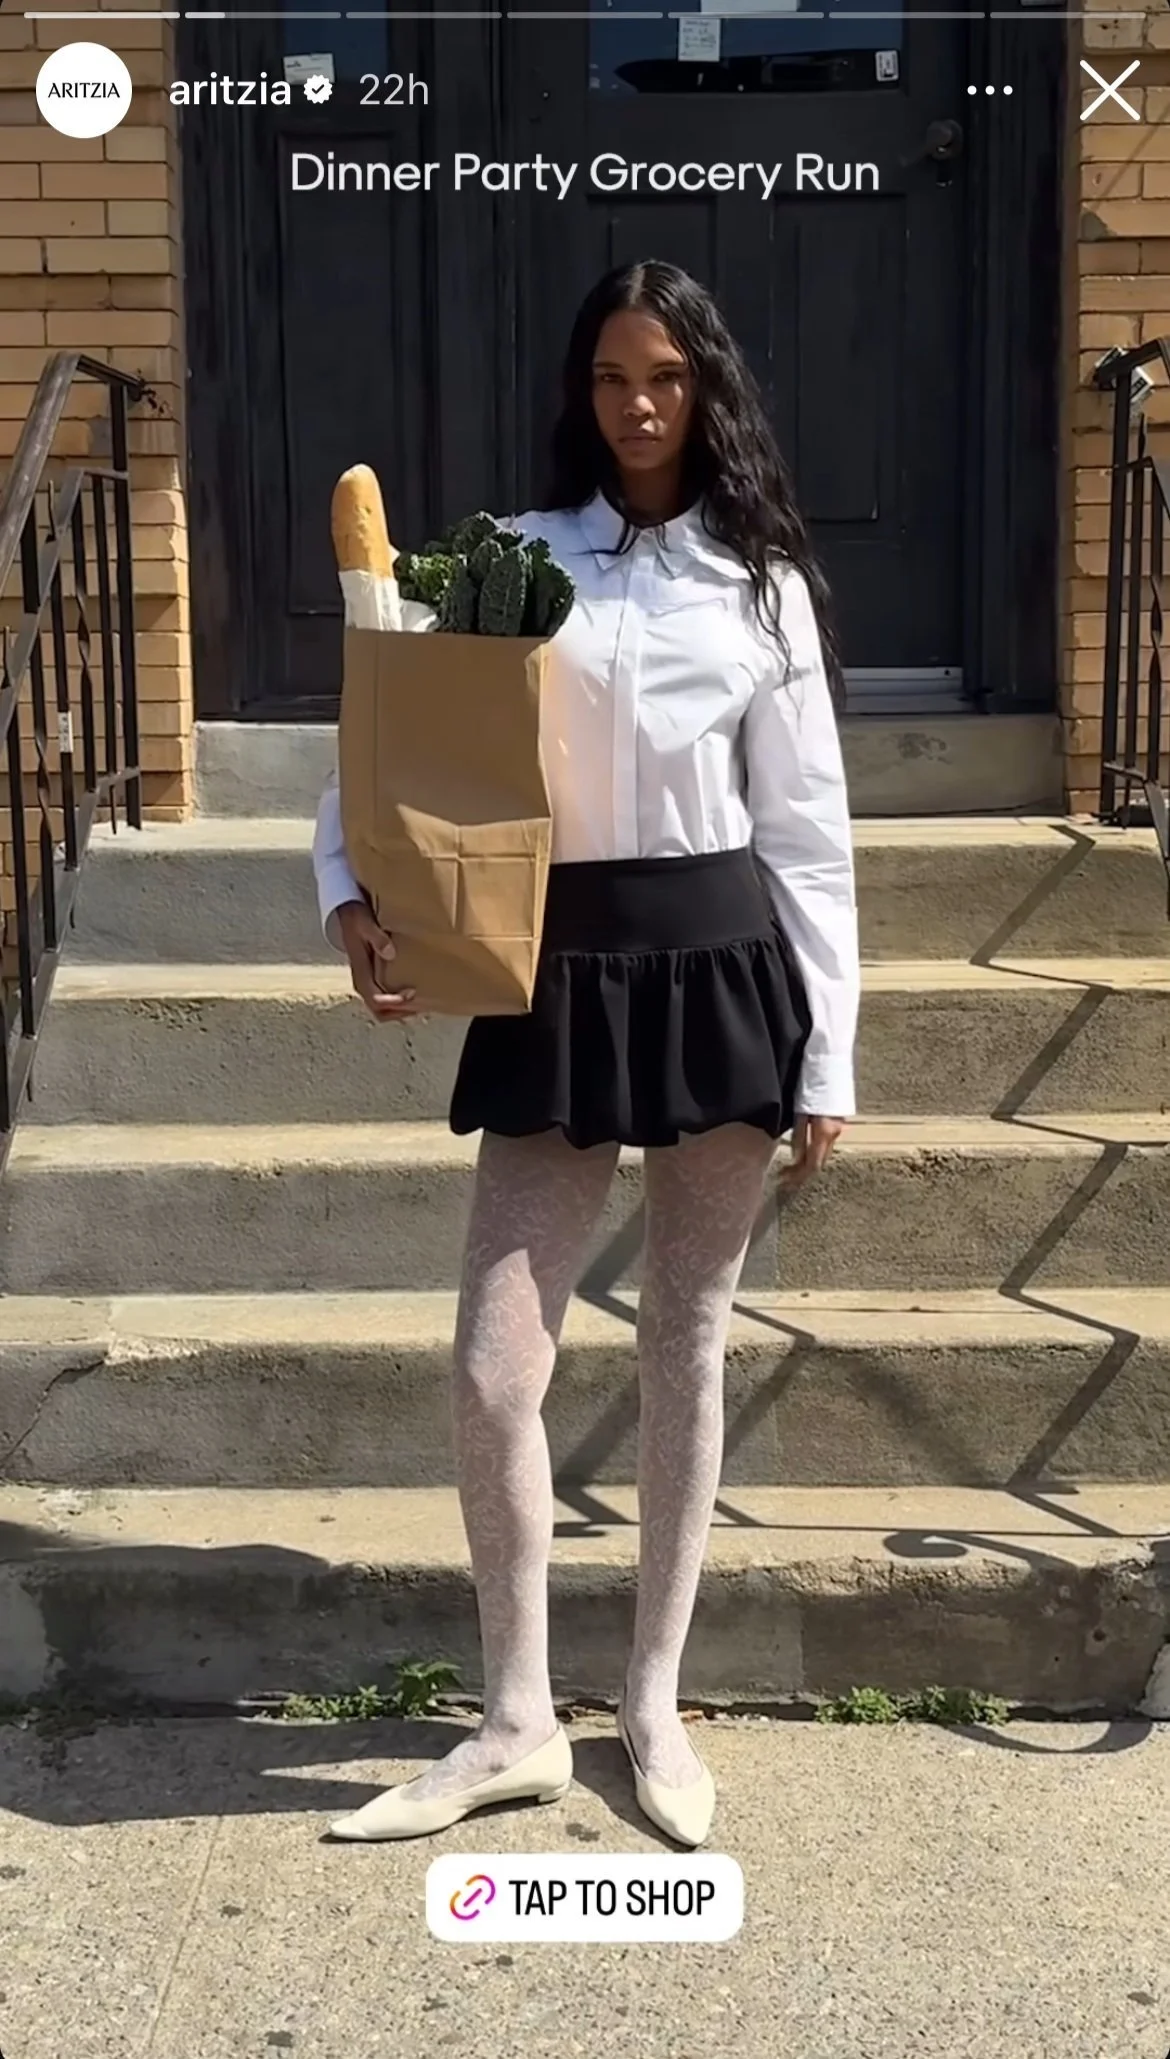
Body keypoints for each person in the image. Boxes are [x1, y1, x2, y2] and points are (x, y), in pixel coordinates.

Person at [311, 259, 860, 1849]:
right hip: (553, 972)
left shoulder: (760, 587)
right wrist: (352, 891)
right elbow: (387, 724)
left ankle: (653, 1704)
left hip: (719, 973)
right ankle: (511, 1719)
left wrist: (829, 1053)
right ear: (580, 387)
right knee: (496, 1363)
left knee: (685, 1342)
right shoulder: (506, 559)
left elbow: (806, 832)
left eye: (669, 378)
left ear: (707, 392)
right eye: (615, 374)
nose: (638, 404)